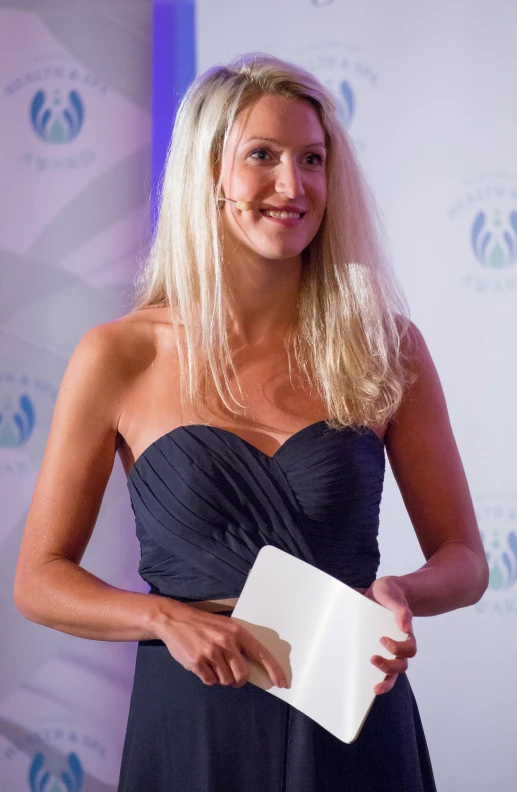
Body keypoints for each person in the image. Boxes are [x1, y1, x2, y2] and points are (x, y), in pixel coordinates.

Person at [14, 53, 488, 792]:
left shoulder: (384, 345)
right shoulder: (119, 354)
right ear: (209, 175)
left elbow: (463, 557)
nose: (290, 185)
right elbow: (39, 580)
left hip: (354, 716)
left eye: (311, 159)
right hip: (197, 720)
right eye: (260, 157)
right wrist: (164, 620)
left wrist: (401, 593)